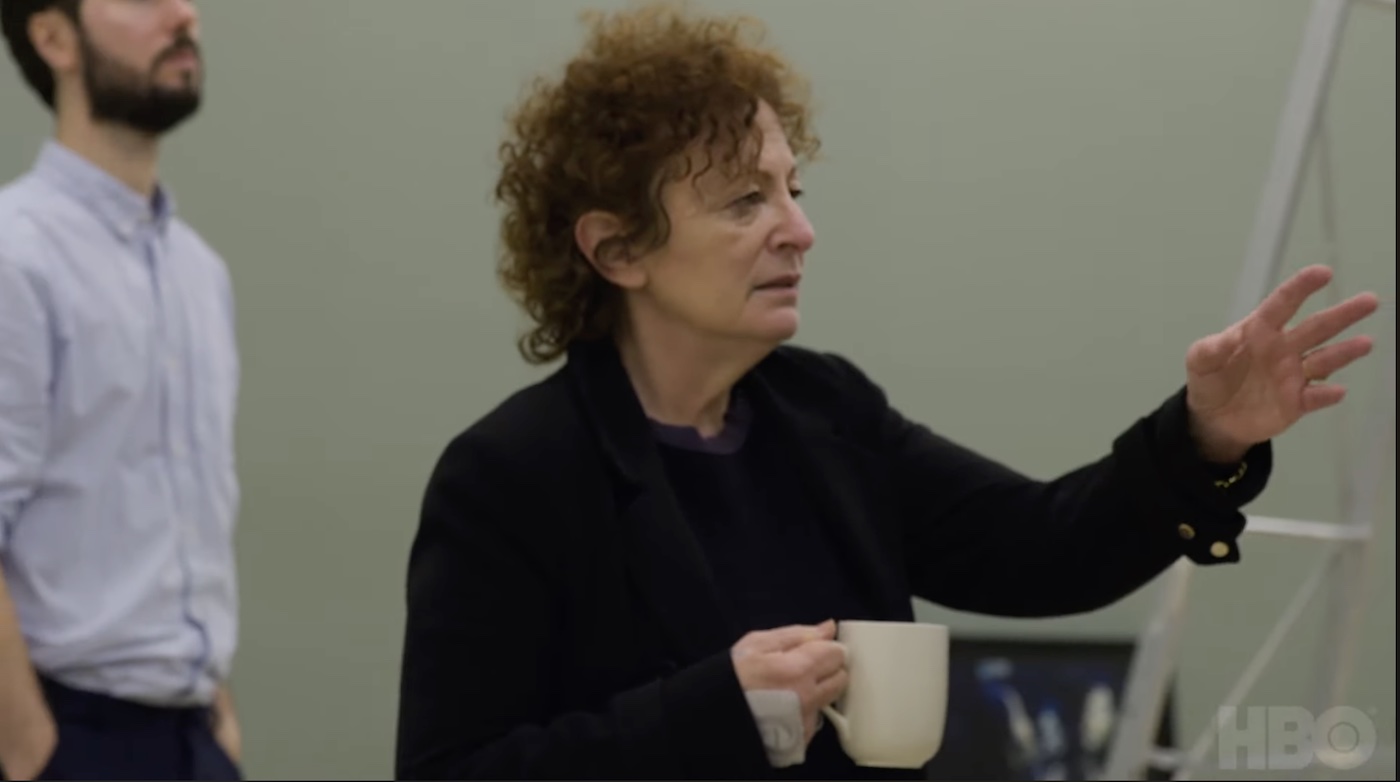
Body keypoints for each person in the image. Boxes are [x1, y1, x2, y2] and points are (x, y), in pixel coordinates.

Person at [392, 3, 1382, 780]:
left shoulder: (824, 412)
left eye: (793, 189)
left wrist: (1205, 433)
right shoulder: (513, 474)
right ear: (615, 250)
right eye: (745, 200)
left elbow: (1040, 548)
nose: (798, 230)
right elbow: (451, 768)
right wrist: (714, 709)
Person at [0, 1, 242, 779]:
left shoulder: (199, 272)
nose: (183, 14)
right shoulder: (15, 259)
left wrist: (219, 720)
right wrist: (29, 750)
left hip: (192, 738)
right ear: (52, 37)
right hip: (71, 738)